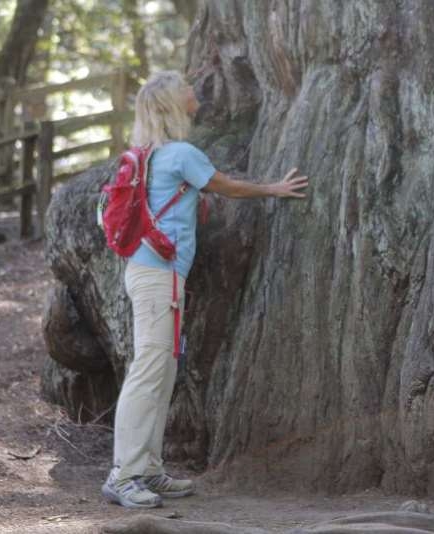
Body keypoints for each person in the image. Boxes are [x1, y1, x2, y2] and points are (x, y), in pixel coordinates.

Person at [101, 70, 308, 509]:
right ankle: (123, 475)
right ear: (173, 105)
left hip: (160, 277)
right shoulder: (179, 155)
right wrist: (274, 188)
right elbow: (227, 186)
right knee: (148, 372)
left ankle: (149, 470)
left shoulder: (154, 153)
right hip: (158, 279)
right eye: (185, 89)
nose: (194, 92)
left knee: (163, 374)